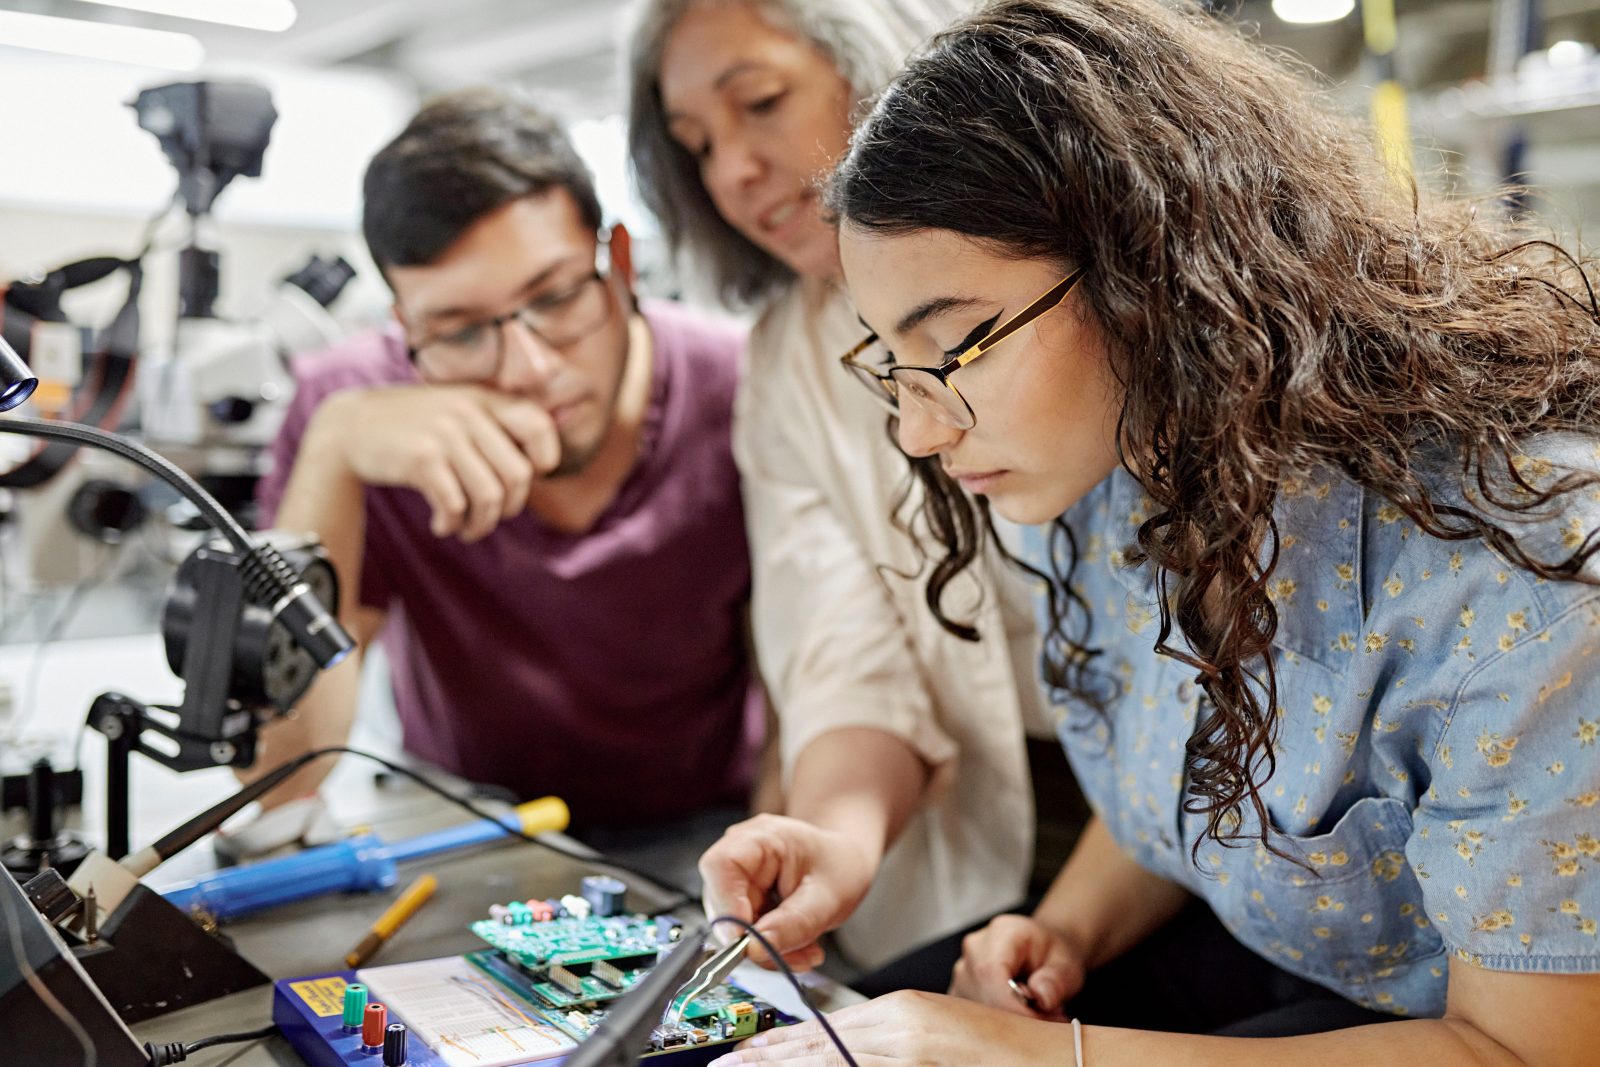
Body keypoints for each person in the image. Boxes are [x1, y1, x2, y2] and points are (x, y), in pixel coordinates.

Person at [704, 0, 1600, 1063]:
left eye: (956, 346)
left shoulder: (1525, 575)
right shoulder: (1108, 473)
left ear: (1157, 269)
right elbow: (1200, 779)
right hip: (1293, 968)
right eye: (891, 362)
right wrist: (1065, 931)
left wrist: (1037, 1055)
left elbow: (1525, 1049)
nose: (917, 424)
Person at [626, 0, 1084, 970]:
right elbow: (840, 644)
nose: (733, 172)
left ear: (889, 60)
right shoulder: (789, 358)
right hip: (983, 825)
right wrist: (835, 835)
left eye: (759, 102)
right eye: (697, 144)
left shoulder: (1080, 278)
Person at [249, 88, 761, 872]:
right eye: (457, 331)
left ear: (618, 262)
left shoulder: (742, 388)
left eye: (555, 297)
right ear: (403, 323)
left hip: (708, 834)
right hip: (458, 824)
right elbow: (281, 775)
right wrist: (332, 453)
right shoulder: (351, 409)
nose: (530, 370)